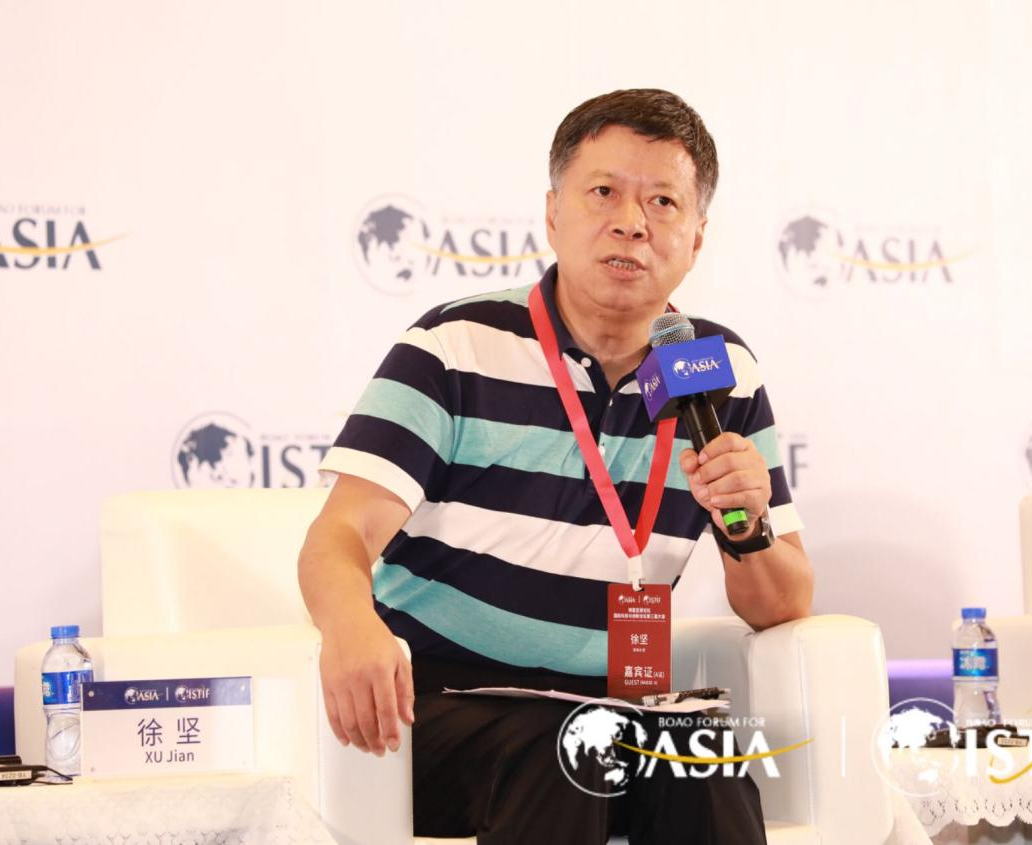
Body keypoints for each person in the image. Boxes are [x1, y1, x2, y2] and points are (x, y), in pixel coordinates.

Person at [298, 88, 814, 844]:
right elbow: (337, 535)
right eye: (603, 192)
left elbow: (784, 601)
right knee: (565, 749)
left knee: (704, 762)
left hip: (616, 705)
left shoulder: (719, 371)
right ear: (552, 213)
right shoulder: (454, 347)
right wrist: (351, 628)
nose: (631, 222)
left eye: (663, 201)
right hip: (445, 705)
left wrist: (748, 525)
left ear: (697, 237)